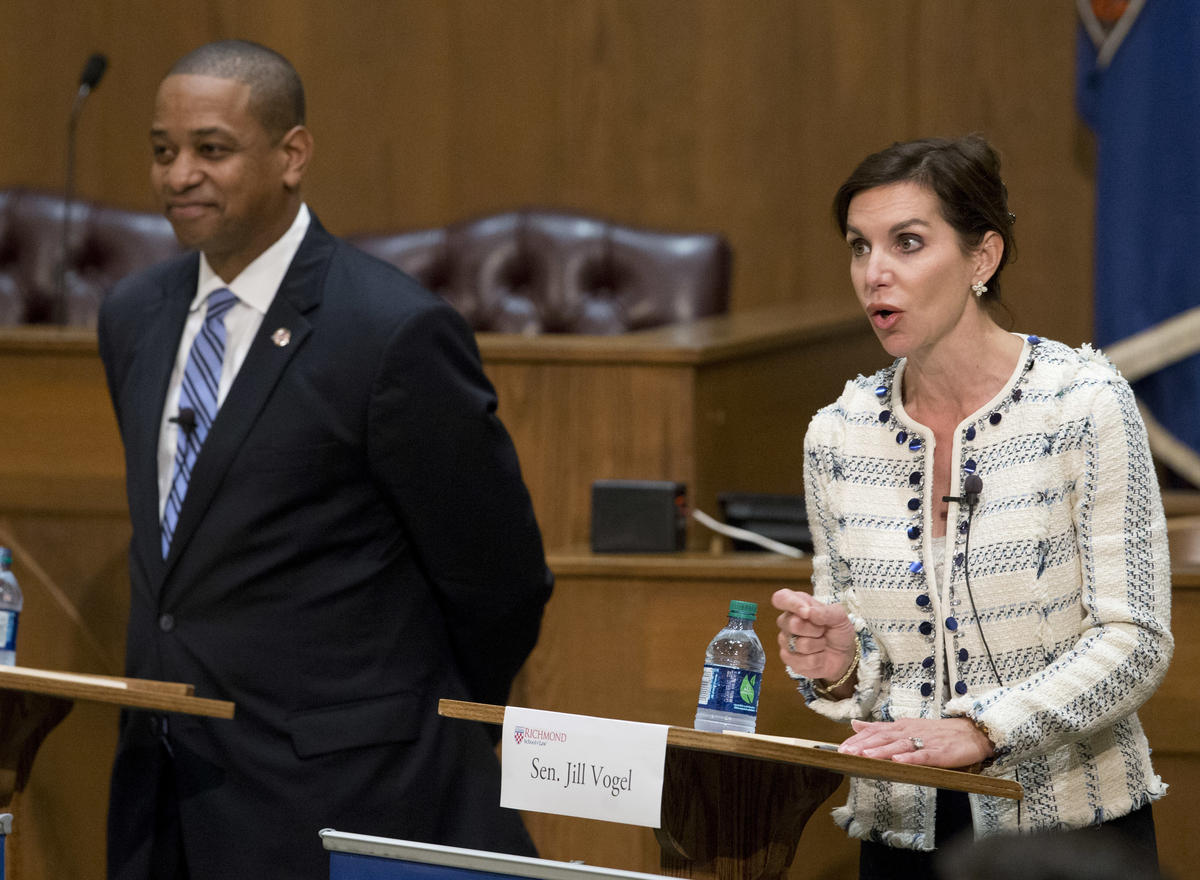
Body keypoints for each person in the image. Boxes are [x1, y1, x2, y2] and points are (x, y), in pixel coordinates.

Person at [97, 40, 553, 879]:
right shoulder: (134, 313)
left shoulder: (388, 331)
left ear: (292, 155)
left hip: (341, 788)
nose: (178, 175)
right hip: (162, 784)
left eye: (211, 149)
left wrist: (398, 719)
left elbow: (500, 579)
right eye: (163, 152)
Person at [771, 135, 1172, 879]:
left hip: (1069, 837)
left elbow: (1136, 639)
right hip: (902, 835)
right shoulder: (838, 432)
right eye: (860, 247)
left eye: (908, 242)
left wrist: (983, 729)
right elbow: (861, 664)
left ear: (982, 258)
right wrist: (838, 664)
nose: (874, 273)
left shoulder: (1081, 402)